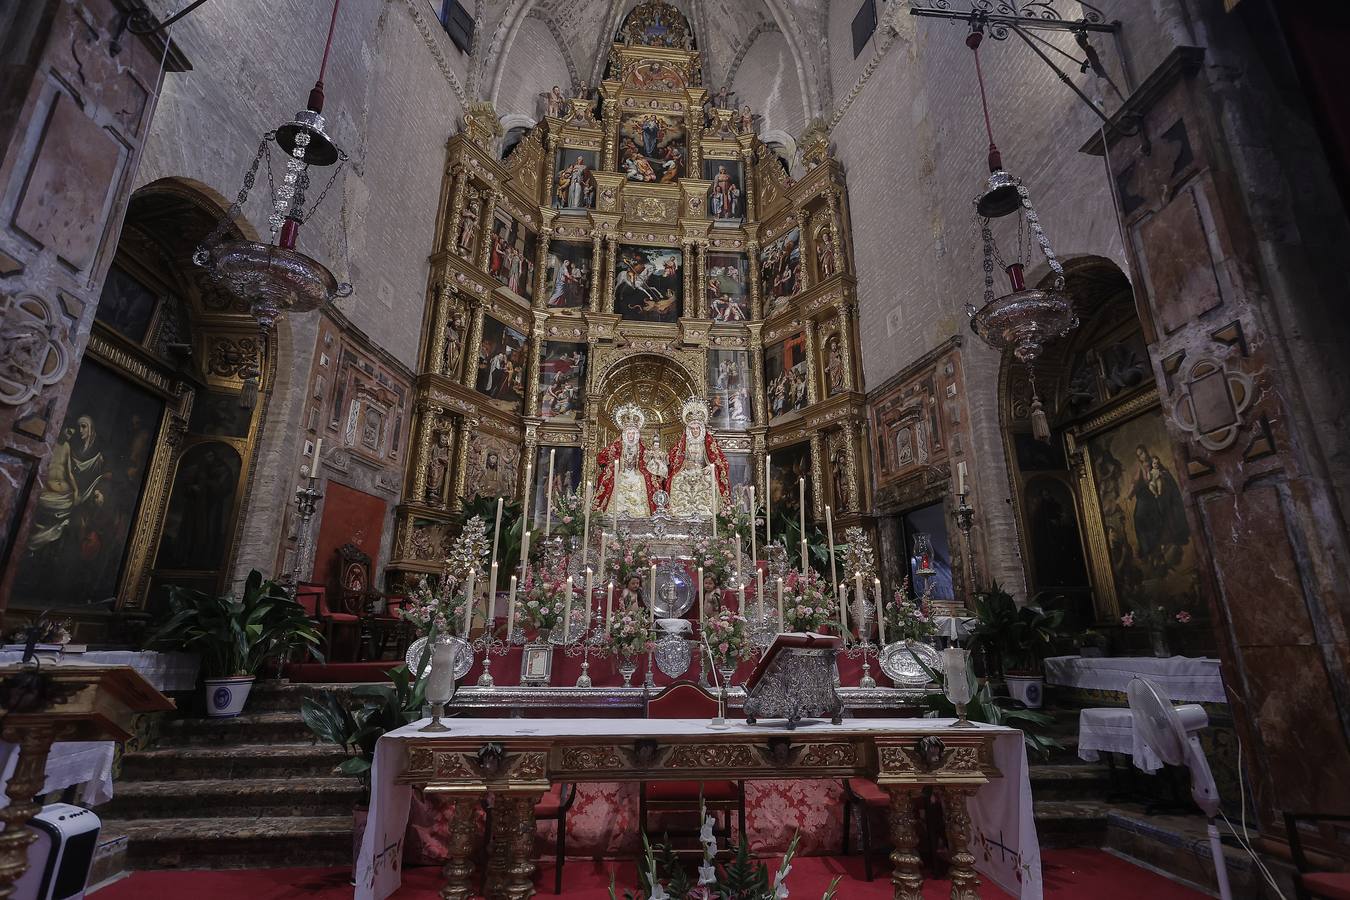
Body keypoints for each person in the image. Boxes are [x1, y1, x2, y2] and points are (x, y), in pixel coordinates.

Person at [666, 398, 731, 518]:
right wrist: (685, 464)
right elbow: (674, 458)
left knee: (710, 480)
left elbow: (719, 460)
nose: (695, 431)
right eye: (693, 429)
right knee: (676, 479)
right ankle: (679, 512)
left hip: (702, 471)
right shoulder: (683, 442)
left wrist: (710, 467)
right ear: (689, 429)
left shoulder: (708, 441)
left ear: (701, 429)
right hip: (687, 471)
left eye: (697, 428)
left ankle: (708, 513)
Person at [595, 404, 658, 519]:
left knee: (644, 479)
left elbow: (645, 460)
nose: (631, 436)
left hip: (636, 472)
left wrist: (650, 458)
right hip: (621, 472)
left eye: (633, 433)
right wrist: (615, 459)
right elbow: (602, 456)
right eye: (629, 433)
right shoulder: (617, 445)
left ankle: (641, 514)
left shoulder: (640, 447)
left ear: (637, 434)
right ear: (624, 434)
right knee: (616, 481)